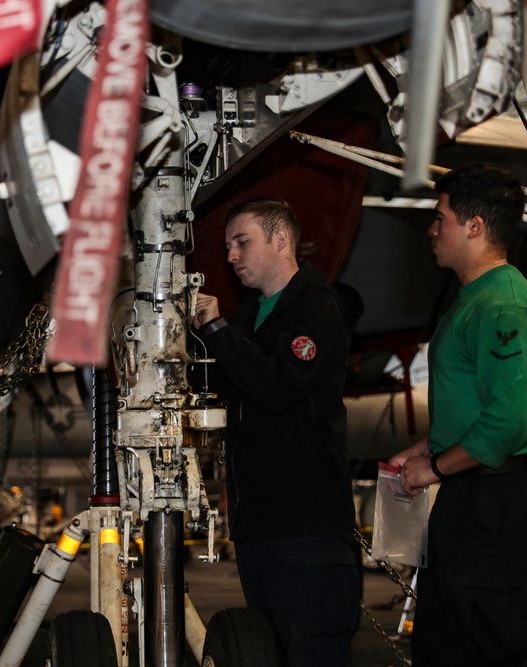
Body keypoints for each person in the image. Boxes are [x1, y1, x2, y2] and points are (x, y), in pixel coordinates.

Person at [388, 163, 527, 666]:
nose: (432, 228)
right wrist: (425, 449)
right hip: (474, 494)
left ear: (475, 226)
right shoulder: (477, 299)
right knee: (444, 644)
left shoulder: (504, 305)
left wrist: (436, 468)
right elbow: (478, 407)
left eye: (441, 217)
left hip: (495, 501)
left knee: (477, 648)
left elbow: (508, 420)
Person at [193, 197, 362, 666]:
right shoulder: (249, 318)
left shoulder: (317, 309)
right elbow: (218, 384)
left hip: (306, 530)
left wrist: (219, 331)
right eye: (228, 246)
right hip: (258, 530)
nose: (231, 256)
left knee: (311, 653)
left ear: (281, 239)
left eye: (241, 242)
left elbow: (279, 386)